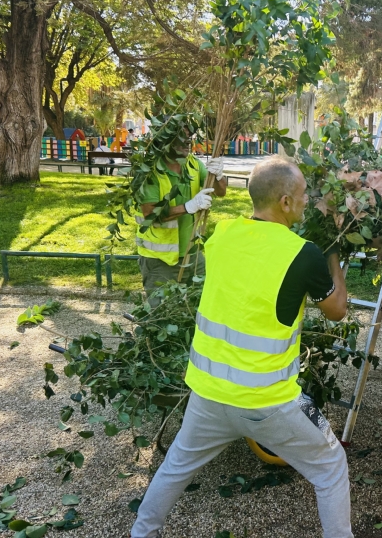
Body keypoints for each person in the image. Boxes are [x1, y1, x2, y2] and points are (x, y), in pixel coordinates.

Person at [131, 157, 351, 538]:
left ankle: (141, 533)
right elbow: (337, 311)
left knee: (176, 467)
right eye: (302, 196)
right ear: (285, 202)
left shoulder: (221, 235)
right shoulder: (303, 253)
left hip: (208, 392)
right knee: (331, 466)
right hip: (266, 401)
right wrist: (332, 254)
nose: (306, 201)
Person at [136, 140, 227, 295]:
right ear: (165, 140)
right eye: (180, 138)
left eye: (188, 137)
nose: (187, 142)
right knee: (162, 312)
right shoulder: (150, 171)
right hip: (160, 260)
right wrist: (188, 207)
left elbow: (220, 192)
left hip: (193, 253)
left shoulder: (193, 164)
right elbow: (150, 214)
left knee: (202, 304)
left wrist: (218, 176)